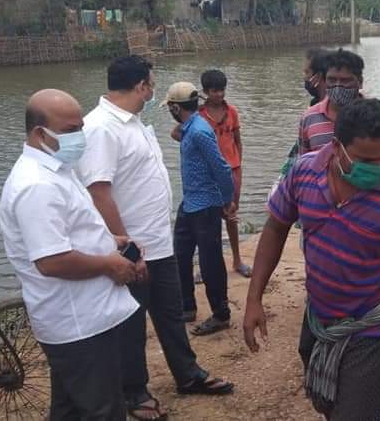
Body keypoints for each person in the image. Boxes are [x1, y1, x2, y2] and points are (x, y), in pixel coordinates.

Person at [244, 99, 380, 421]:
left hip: (372, 330)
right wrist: (254, 298)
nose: (378, 168)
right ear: (337, 147)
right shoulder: (304, 172)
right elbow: (276, 228)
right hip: (319, 319)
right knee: (326, 400)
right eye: (367, 159)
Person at [76, 58, 233, 420]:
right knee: (131, 322)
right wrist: (126, 247)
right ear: (142, 86)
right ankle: (134, 391)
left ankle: (188, 374)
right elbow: (100, 192)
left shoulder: (134, 124)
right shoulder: (101, 127)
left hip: (158, 243)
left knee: (170, 314)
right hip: (132, 248)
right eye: (151, 83)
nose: (153, 89)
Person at [0, 88, 142, 420]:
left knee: (71, 409)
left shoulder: (57, 169)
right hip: (76, 322)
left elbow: (70, 232)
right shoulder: (36, 186)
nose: (80, 137)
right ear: (39, 133)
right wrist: (108, 263)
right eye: (69, 130)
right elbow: (51, 261)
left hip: (86, 316)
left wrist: (111, 241)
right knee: (102, 409)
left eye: (80, 127)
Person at [167, 82, 236, 336]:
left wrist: (227, 200)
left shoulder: (199, 132)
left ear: (175, 107)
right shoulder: (190, 128)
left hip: (206, 206)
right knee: (181, 254)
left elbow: (222, 168)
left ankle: (221, 314)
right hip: (190, 202)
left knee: (210, 262)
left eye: (170, 108)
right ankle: (187, 306)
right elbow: (175, 134)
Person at [298, 49, 380, 172]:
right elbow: (304, 164)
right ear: (325, 80)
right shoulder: (309, 118)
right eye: (332, 80)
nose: (338, 86)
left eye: (345, 80)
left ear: (360, 82)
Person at [199, 69, 251, 278]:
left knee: (231, 215)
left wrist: (238, 164)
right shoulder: (199, 115)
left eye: (221, 90)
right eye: (214, 91)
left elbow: (237, 139)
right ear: (205, 91)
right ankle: (209, 265)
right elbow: (180, 134)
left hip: (232, 170)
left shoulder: (232, 112)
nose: (219, 95)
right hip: (209, 173)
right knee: (209, 219)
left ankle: (237, 260)